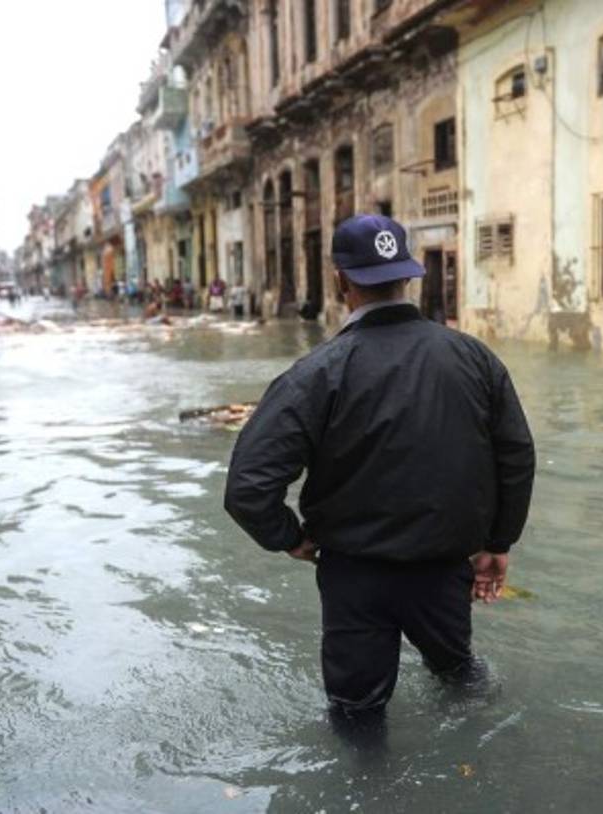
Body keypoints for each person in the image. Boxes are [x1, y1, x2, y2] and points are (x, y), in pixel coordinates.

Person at [224, 214, 535, 727]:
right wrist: (499, 543)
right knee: (460, 677)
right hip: (444, 569)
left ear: (341, 281)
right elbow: (517, 457)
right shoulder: (475, 359)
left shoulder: (316, 373)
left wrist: (290, 537)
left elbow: (247, 487)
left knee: (357, 715)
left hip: (354, 577)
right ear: (408, 277)